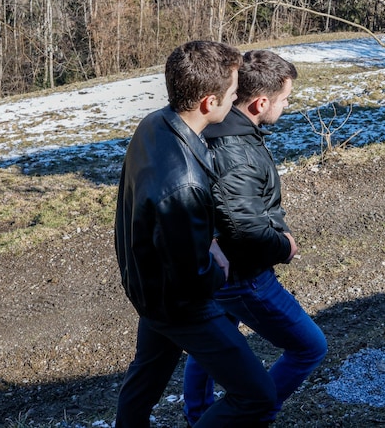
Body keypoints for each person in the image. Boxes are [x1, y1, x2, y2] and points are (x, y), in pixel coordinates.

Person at [114, 41, 276, 427]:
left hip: (148, 289)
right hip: (181, 306)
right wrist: (217, 264)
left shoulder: (154, 123)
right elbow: (194, 277)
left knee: (143, 386)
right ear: (208, 102)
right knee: (258, 397)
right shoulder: (183, 183)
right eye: (233, 92)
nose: (238, 97)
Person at [183, 50, 327, 425]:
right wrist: (284, 245)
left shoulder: (225, 127)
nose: (287, 105)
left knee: (213, 345)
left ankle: (201, 416)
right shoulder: (237, 151)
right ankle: (253, 414)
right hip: (245, 276)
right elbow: (244, 227)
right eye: (285, 99)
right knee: (310, 347)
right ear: (261, 102)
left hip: (218, 267)